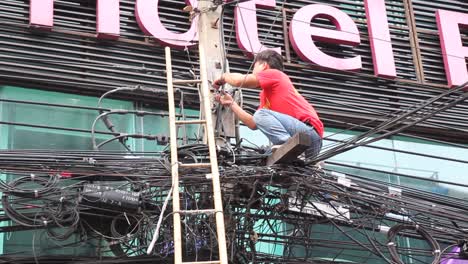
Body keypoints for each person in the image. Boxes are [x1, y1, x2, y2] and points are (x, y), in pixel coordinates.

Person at [213, 49, 323, 160]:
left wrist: (224, 77)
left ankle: (287, 144)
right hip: (306, 141)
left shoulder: (275, 74)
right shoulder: (266, 95)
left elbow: (239, 81)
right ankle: (289, 148)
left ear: (264, 65)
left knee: (261, 116)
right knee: (262, 158)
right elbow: (253, 123)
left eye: (255, 67)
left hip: (308, 133)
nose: (253, 71)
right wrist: (231, 103)